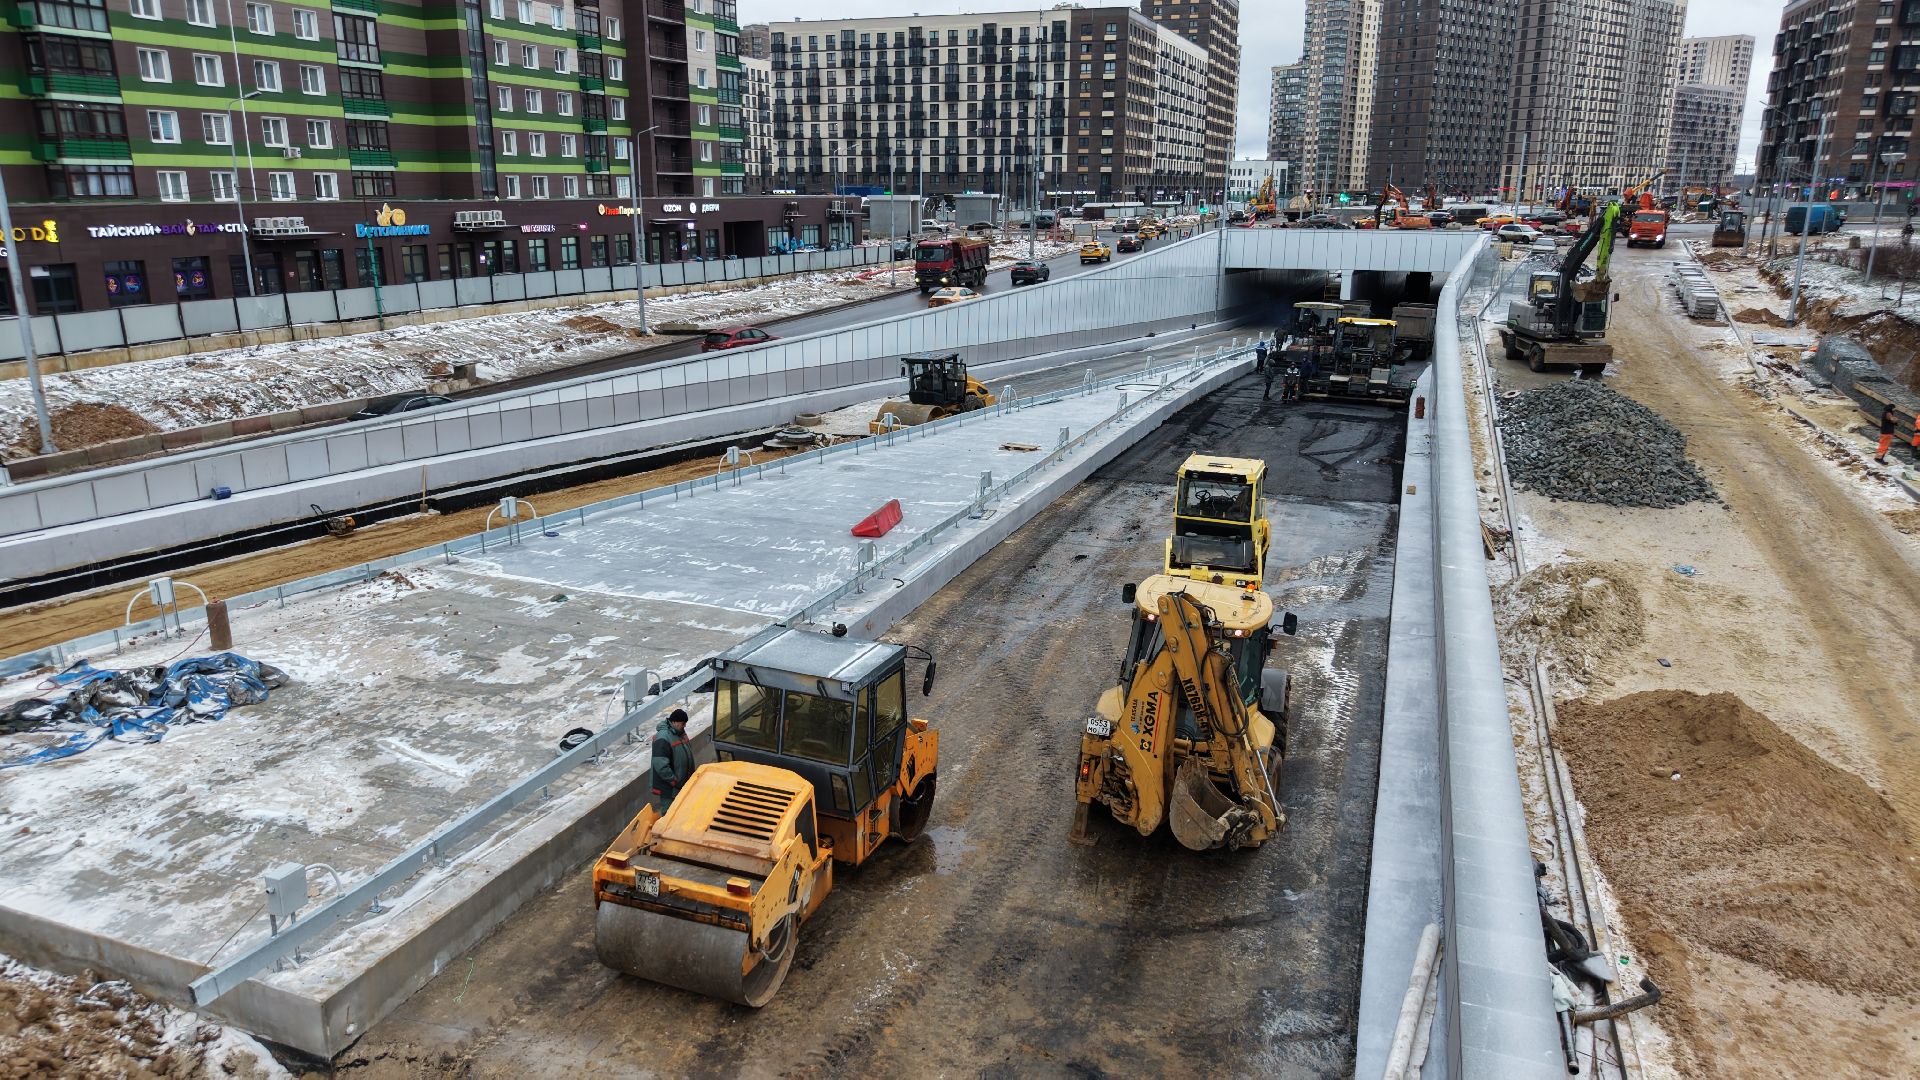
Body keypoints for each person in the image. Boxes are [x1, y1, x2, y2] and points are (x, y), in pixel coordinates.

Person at [651, 708, 696, 812]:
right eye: (683, 723)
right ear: (674, 722)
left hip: (680, 784)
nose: (684, 726)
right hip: (670, 787)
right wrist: (674, 781)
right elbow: (660, 765)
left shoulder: (680, 733)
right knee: (670, 813)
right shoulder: (663, 737)